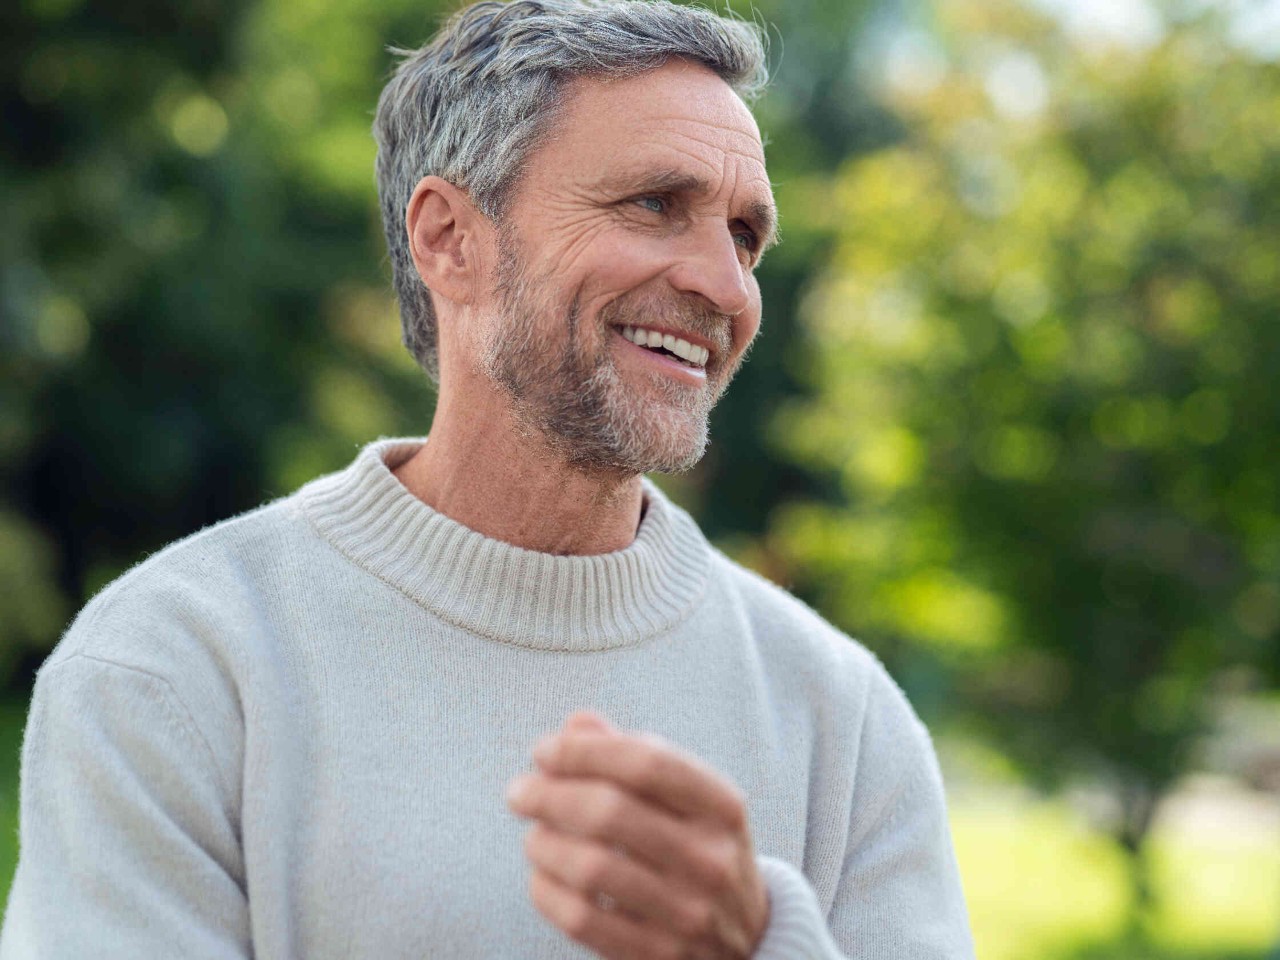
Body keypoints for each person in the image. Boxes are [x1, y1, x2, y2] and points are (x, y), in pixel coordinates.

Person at [0, 1, 975, 957]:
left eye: (745, 237)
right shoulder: (171, 670)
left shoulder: (844, 721)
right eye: (653, 205)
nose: (725, 288)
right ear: (448, 239)